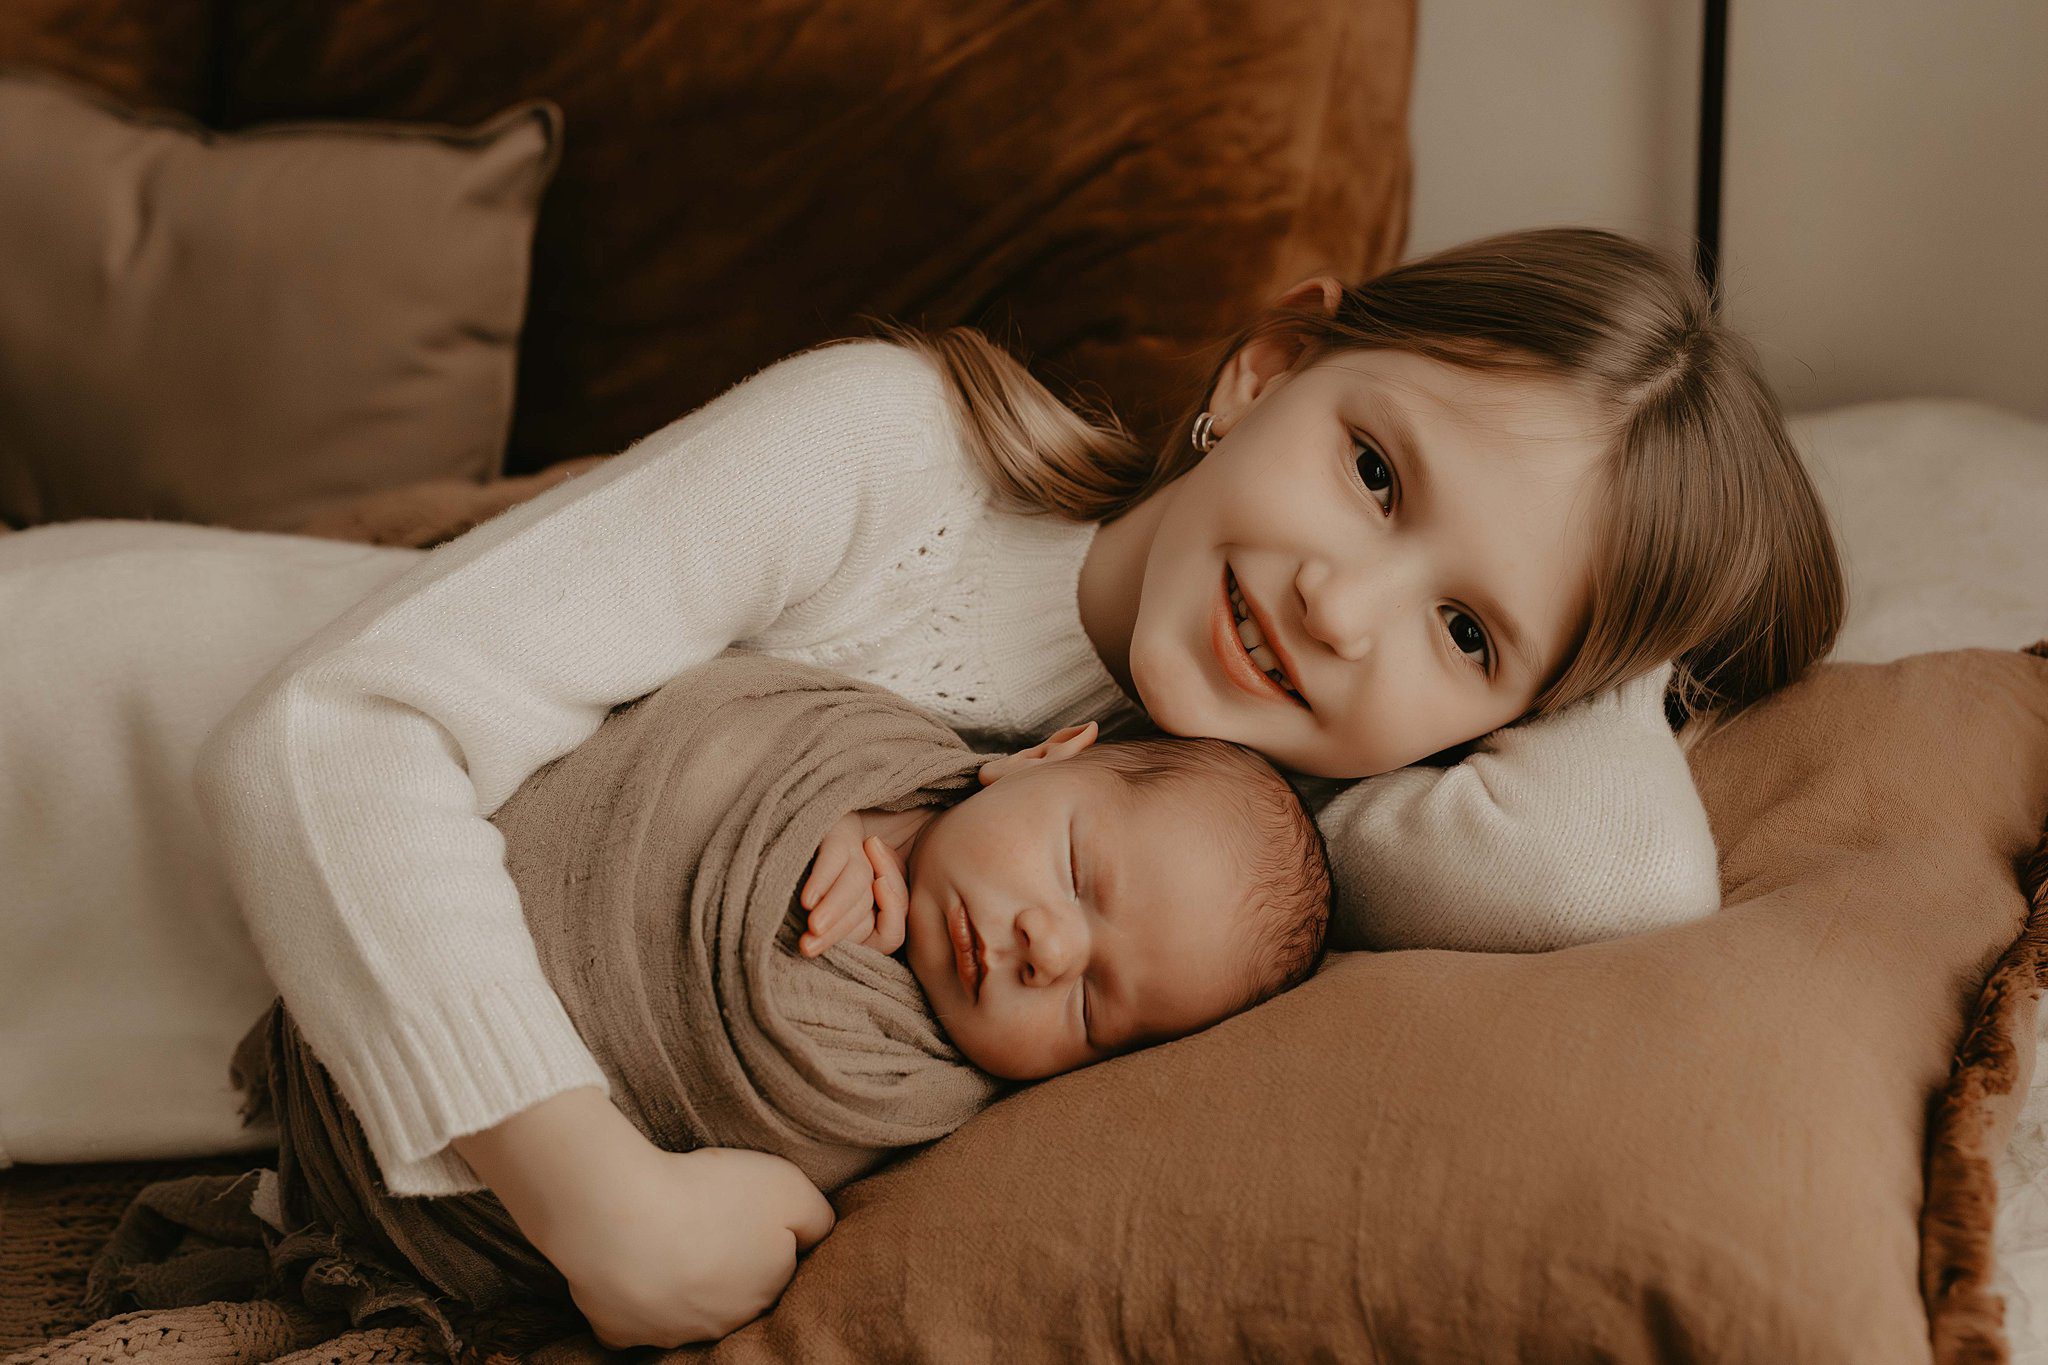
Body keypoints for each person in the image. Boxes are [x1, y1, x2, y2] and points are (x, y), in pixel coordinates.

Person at [1, 226, 1842, 1347]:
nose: (1334, 606)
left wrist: (1612, 660)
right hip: (74, 735)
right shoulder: (892, 464)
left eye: (1463, 630)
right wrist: (591, 1199)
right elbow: (332, 734)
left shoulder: (1239, 871)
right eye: (1370, 469)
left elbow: (1620, 885)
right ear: (1269, 363)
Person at [800, 723, 1332, 1082]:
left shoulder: (912, 1088)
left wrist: (841, 975)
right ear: (1037, 760)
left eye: (1089, 1009)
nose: (1050, 954)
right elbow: (739, 724)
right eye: (1075, 876)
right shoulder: (858, 742)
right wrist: (816, 818)